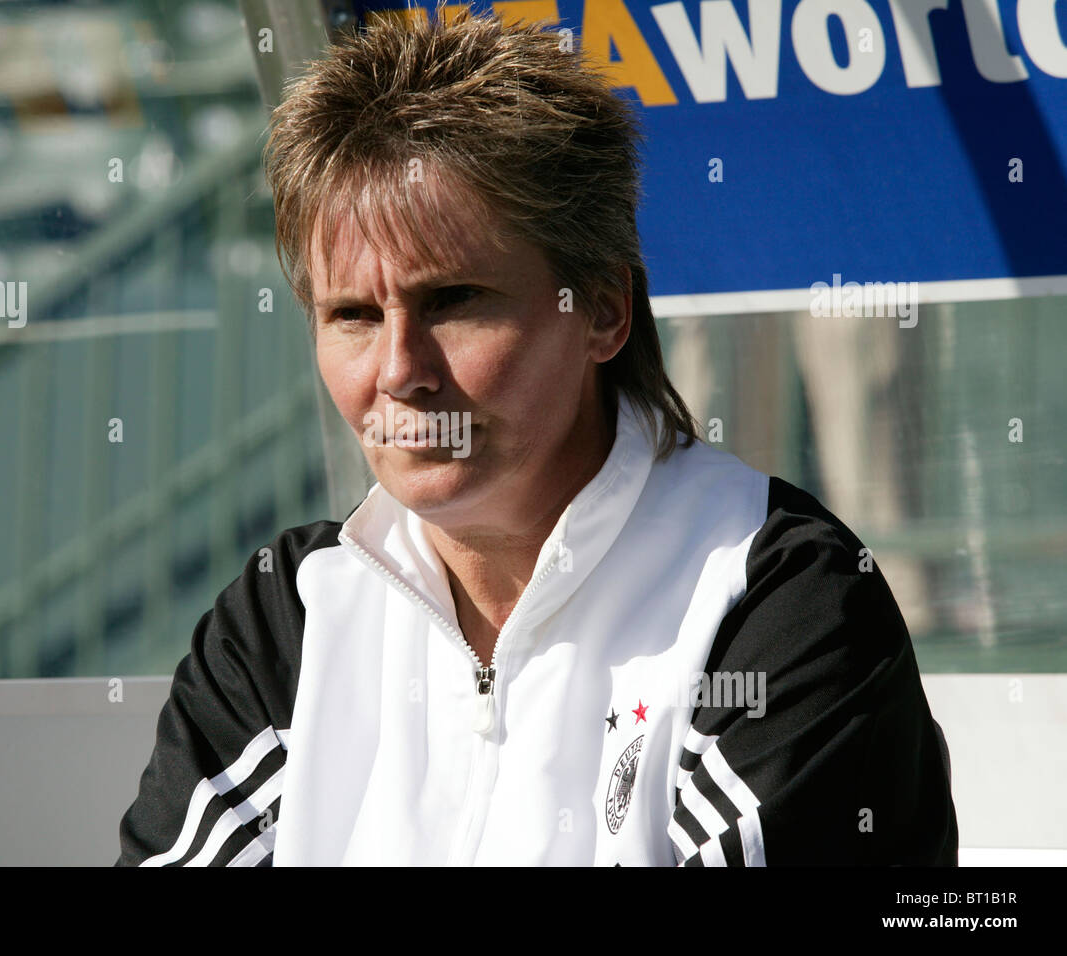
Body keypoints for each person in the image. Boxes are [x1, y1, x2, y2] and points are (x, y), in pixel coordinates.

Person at [115, 7, 957, 866]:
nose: (400, 369)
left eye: (454, 301)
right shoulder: (285, 618)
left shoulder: (782, 604)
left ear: (602, 309)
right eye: (353, 316)